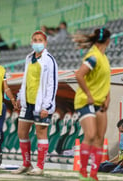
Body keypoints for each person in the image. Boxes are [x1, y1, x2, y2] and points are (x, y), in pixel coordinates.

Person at [12, 30, 58, 175]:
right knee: (21, 132)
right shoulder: (29, 58)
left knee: (41, 133)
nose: (37, 42)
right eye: (35, 40)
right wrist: (20, 96)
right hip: (28, 103)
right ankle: (26, 164)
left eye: (40, 40)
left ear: (45, 43)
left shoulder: (49, 60)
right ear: (31, 42)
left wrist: (47, 106)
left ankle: (40, 167)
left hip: (42, 104)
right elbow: (26, 80)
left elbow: (52, 84)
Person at [73, 28, 111, 181]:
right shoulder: (94, 57)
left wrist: (107, 97)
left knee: (100, 137)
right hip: (85, 101)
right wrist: (89, 94)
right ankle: (82, 171)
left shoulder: (104, 58)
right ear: (108, 40)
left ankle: (94, 174)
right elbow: (79, 74)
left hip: (100, 102)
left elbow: (105, 82)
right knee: (90, 134)